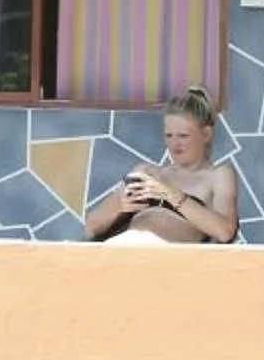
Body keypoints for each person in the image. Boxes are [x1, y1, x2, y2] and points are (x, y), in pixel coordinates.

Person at [84, 85, 242, 245]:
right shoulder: (148, 172)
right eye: (169, 135)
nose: (175, 144)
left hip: (168, 257)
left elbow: (225, 232)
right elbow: (91, 228)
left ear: (206, 134)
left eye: (183, 136)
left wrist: (171, 195)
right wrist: (118, 205)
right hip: (125, 247)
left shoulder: (218, 175)